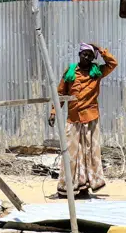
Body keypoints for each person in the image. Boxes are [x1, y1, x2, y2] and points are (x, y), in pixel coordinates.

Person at [49, 42, 117, 197]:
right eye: (84, 54)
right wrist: (54, 111)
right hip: (73, 119)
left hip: (91, 119)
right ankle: (65, 190)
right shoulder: (70, 71)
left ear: (93, 58)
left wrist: (100, 49)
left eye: (90, 55)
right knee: (71, 154)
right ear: (79, 54)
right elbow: (61, 93)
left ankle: (85, 188)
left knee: (90, 154)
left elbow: (113, 63)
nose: (86, 57)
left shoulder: (97, 72)